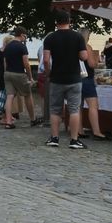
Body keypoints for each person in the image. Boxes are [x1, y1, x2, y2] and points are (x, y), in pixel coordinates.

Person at [42, 10, 89, 149]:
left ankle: (54, 138)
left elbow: (46, 60)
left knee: (55, 109)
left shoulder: (50, 38)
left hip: (57, 78)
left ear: (56, 22)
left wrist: (48, 73)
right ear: (69, 21)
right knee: (74, 109)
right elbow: (84, 57)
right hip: (74, 78)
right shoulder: (78, 37)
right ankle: (74, 140)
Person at [2, 27, 38, 128]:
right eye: (25, 36)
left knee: (9, 96)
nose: (25, 39)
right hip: (19, 74)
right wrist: (30, 77)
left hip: (8, 73)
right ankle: (33, 119)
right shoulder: (22, 47)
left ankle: (9, 122)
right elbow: (26, 63)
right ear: (22, 35)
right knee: (27, 95)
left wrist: (6, 72)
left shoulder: (8, 46)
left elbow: (5, 62)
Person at [79, 30, 109, 141]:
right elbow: (91, 64)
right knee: (93, 105)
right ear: (87, 37)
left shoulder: (72, 46)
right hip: (87, 78)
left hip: (76, 79)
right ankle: (96, 132)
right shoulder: (87, 47)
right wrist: (97, 62)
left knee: (78, 106)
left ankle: (79, 130)